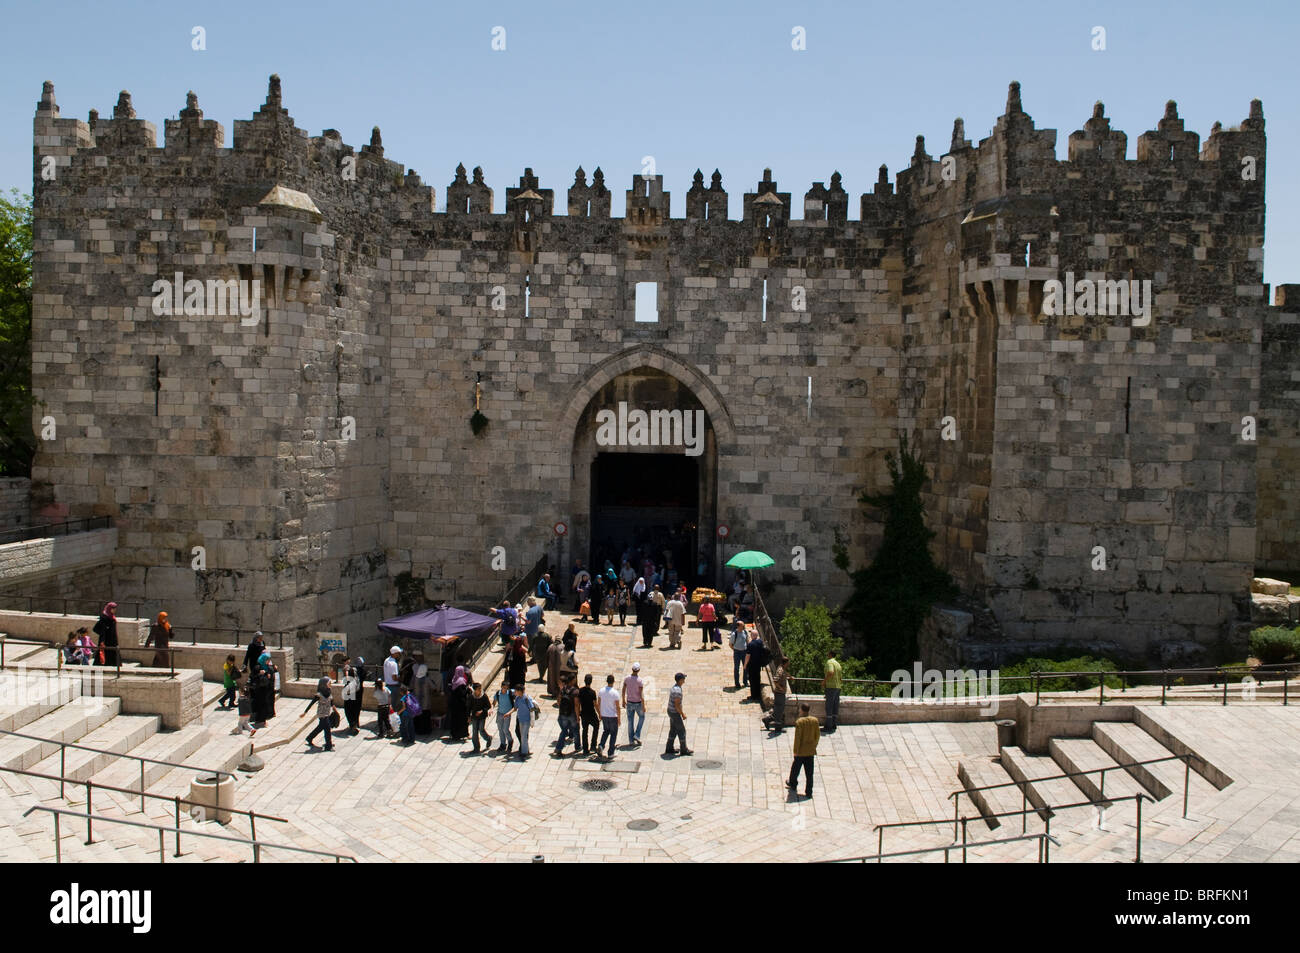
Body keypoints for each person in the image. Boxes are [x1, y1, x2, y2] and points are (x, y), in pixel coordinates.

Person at [787, 703, 820, 798]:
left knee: (795, 769)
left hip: (801, 751)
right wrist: (814, 745)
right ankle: (809, 792)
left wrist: (795, 751)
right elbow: (817, 735)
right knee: (809, 773)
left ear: (802, 710)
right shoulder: (815, 721)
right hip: (810, 751)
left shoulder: (800, 722)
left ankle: (793, 784)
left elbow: (798, 738)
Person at [300, 676, 336, 751]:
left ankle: (309, 738)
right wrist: (305, 712)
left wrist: (334, 709)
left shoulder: (329, 691)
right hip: (322, 714)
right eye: (329, 683)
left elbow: (331, 702)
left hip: (327, 713)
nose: (330, 684)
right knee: (327, 729)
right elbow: (311, 703)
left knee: (321, 727)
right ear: (324, 684)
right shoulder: (319, 694)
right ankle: (328, 746)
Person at [664, 672, 692, 756]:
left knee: (673, 730)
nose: (684, 680)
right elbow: (677, 705)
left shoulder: (675, 687)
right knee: (682, 731)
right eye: (683, 679)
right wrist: (682, 714)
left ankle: (669, 748)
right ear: (680, 680)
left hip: (670, 711)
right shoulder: (678, 691)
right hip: (675, 713)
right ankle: (684, 750)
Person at [553, 673, 580, 756]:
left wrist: (561, 709)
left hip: (563, 713)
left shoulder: (563, 689)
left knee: (564, 731)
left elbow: (558, 700)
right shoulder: (575, 691)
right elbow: (576, 705)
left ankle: (558, 748)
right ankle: (577, 746)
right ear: (573, 680)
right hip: (571, 713)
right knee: (576, 729)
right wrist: (578, 716)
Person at [597, 674, 620, 759]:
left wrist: (599, 714)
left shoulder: (601, 691)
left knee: (606, 731)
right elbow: (617, 707)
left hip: (604, 715)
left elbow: (598, 703)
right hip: (613, 716)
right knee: (613, 734)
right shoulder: (615, 693)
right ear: (613, 681)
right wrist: (619, 718)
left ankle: (601, 745)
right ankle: (610, 753)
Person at [621, 662, 645, 747]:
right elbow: (641, 694)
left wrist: (623, 700)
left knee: (630, 721)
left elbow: (623, 690)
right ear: (638, 670)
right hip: (638, 703)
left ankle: (631, 741)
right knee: (642, 717)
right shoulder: (639, 680)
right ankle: (637, 734)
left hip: (629, 702)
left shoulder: (627, 679)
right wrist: (644, 705)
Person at [765, 655, 790, 732]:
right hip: (779, 693)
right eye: (788, 663)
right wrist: (780, 688)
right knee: (779, 709)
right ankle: (778, 727)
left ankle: (767, 720)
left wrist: (790, 676)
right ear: (785, 663)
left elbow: (784, 674)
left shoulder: (782, 668)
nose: (789, 664)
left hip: (780, 693)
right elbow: (775, 680)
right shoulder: (780, 670)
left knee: (778, 709)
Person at [513, 683, 538, 758]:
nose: (515, 692)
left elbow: (531, 709)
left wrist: (532, 721)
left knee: (523, 735)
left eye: (516, 691)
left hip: (527, 720)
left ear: (519, 691)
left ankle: (524, 752)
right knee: (522, 735)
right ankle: (526, 750)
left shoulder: (527, 698)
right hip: (520, 719)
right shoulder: (517, 699)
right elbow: (515, 708)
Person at [578, 673, 600, 756]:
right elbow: (595, 704)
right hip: (591, 714)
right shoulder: (592, 692)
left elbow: (578, 703)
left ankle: (585, 749)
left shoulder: (580, 691)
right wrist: (600, 714)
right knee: (596, 726)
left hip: (583, 714)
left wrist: (578, 714)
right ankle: (593, 745)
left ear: (584, 681)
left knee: (585, 730)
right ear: (591, 682)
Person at [447, 664, 470, 740]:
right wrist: (468, 689)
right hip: (460, 705)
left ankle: (454, 734)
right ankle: (461, 734)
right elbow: (462, 693)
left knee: (454, 719)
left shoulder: (454, 679)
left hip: (454, 703)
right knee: (461, 720)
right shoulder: (461, 681)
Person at [469, 682, 492, 753]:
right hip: (474, 716)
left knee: (481, 730)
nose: (480, 690)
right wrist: (468, 716)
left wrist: (482, 711)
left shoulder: (484, 696)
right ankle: (476, 748)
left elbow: (488, 706)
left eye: (480, 688)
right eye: (478, 689)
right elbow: (468, 707)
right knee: (475, 732)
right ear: (475, 690)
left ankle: (488, 738)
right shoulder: (471, 697)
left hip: (482, 716)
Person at [93, 602, 119, 666]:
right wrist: (103, 634)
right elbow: (95, 628)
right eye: (113, 608)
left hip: (113, 641)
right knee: (103, 657)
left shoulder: (112, 617)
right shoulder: (104, 618)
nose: (115, 610)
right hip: (105, 641)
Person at [745, 629, 767, 703]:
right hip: (758, 664)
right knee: (757, 679)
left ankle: (753, 696)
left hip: (752, 665)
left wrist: (745, 665)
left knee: (752, 680)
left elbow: (747, 656)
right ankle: (757, 695)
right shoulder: (760, 642)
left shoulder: (750, 644)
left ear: (752, 636)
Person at [823, 650, 842, 732]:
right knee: (835, 706)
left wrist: (824, 681)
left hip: (831, 687)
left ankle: (828, 726)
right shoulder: (838, 664)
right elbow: (840, 678)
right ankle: (834, 724)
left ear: (830, 654)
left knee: (829, 706)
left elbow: (831, 672)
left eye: (828, 654)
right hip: (838, 687)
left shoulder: (829, 662)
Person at [492, 682, 514, 754]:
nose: (505, 689)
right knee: (500, 729)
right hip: (500, 713)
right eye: (504, 687)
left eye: (506, 687)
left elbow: (518, 692)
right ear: (501, 687)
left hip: (507, 714)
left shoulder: (510, 693)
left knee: (505, 729)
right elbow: (494, 702)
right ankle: (503, 744)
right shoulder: (498, 693)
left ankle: (510, 741)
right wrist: (491, 708)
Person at [340, 662, 362, 733]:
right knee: (354, 711)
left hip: (349, 698)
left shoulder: (349, 681)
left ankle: (352, 726)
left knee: (349, 711)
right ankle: (354, 725)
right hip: (356, 697)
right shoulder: (357, 680)